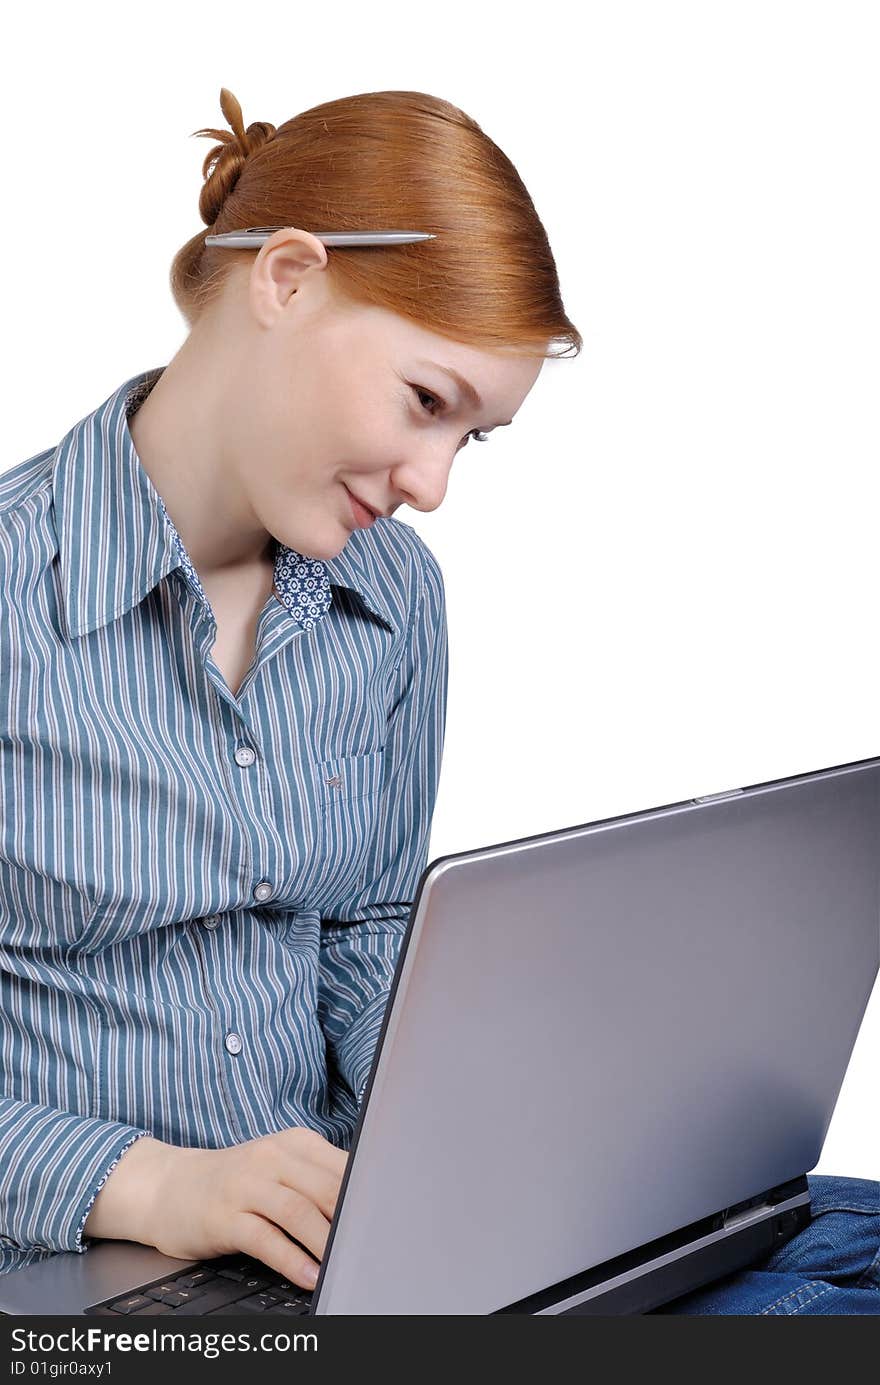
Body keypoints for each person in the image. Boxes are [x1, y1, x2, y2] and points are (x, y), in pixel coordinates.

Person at [0, 87, 876, 1314]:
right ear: (288, 279)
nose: (431, 483)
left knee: (826, 1239)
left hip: (349, 1240)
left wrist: (481, 1135)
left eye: (474, 438)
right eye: (427, 402)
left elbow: (363, 926)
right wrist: (150, 1185)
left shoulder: (393, 597)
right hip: (100, 1283)